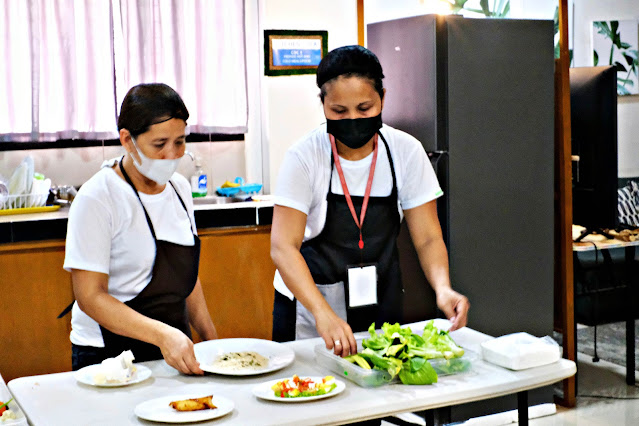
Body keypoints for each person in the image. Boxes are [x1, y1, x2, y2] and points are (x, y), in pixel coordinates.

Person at [270, 45, 470, 357]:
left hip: (380, 299)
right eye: (339, 111)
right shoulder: (304, 156)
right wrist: (322, 313)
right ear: (323, 104)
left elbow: (428, 238)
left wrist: (443, 288)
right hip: (311, 309)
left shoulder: (405, 151)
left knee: (382, 380)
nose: (352, 119)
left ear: (382, 99)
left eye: (364, 108)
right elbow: (283, 247)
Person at [63, 83, 217, 374]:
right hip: (109, 356)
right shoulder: (98, 197)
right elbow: (90, 296)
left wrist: (213, 343)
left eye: (180, 142)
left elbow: (186, 277)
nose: (171, 155)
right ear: (127, 140)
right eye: (159, 144)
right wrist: (162, 335)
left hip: (172, 349)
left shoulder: (180, 190)